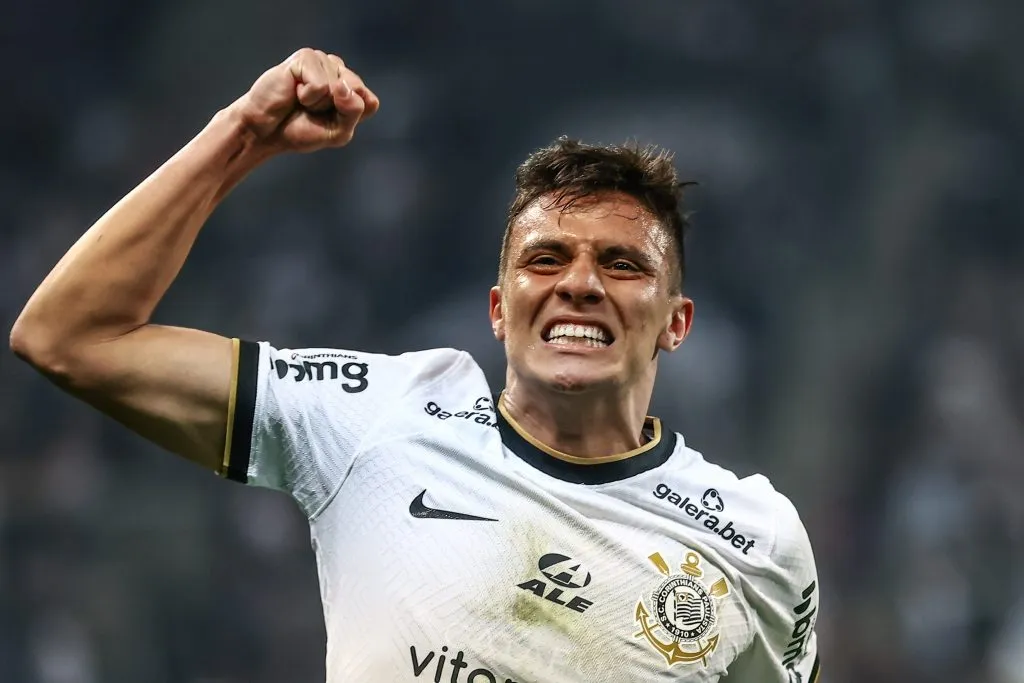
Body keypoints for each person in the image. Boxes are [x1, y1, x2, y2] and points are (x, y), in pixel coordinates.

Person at [10, 48, 821, 682]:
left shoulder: (757, 541)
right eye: (545, 259)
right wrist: (243, 134)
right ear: (499, 311)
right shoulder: (379, 416)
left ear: (675, 323)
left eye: (621, 263)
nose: (578, 283)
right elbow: (72, 335)